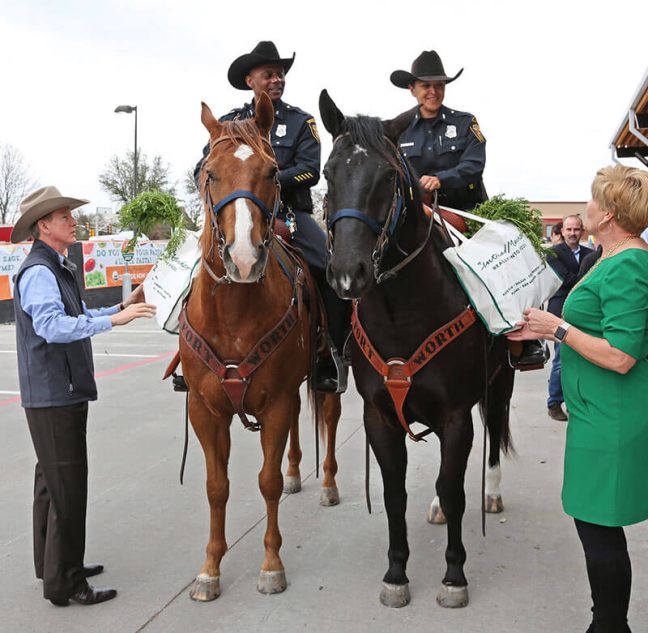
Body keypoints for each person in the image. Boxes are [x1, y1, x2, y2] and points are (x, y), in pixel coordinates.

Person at [507, 165, 648, 632]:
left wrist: (559, 329)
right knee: (596, 525)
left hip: (613, 418)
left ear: (608, 214)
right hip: (597, 415)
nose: (583, 208)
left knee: (598, 527)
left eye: (591, 200)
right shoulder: (611, 257)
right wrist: (541, 330)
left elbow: (623, 354)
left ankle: (609, 625)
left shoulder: (629, 263)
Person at [11, 186, 157, 607]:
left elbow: (75, 315)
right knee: (67, 487)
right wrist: (116, 323)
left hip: (57, 391)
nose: (73, 221)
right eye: (64, 217)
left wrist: (118, 309)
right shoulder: (40, 271)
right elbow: (53, 328)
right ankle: (66, 583)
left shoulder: (55, 265)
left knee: (51, 484)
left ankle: (55, 566)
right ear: (44, 226)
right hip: (54, 394)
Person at [194, 41, 349, 392]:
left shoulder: (302, 121)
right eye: (269, 74)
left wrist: (265, 178)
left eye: (280, 74)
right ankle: (188, 352)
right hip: (235, 214)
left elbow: (311, 171)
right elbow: (204, 168)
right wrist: (214, 184)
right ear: (251, 80)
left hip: (291, 212)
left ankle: (333, 354)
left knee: (330, 267)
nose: (277, 79)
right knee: (193, 264)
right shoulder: (228, 123)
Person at [390, 49, 545, 367]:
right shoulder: (398, 128)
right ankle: (355, 335)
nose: (433, 91)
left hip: (466, 211)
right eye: (426, 86)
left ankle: (521, 339)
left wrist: (440, 179)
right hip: (416, 213)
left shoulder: (465, 122)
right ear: (412, 89)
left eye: (439, 85)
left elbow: (474, 165)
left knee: (507, 257)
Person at [545, 215, 594, 420]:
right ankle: (554, 402)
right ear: (562, 231)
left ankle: (579, 402)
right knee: (562, 358)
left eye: (576, 229)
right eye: (569, 229)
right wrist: (588, 279)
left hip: (585, 312)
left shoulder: (591, 253)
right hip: (560, 311)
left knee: (585, 358)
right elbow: (565, 280)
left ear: (582, 231)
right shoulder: (553, 254)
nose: (573, 233)